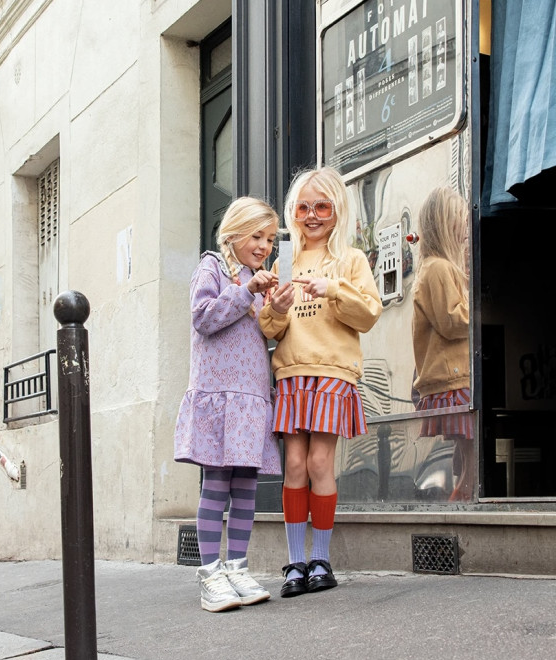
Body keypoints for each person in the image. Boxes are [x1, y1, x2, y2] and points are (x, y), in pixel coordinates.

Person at [259, 166, 382, 598]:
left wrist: (332, 288)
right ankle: (295, 562)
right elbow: (271, 329)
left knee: (318, 464)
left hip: (332, 372)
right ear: (294, 212)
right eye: (304, 207)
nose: (313, 215)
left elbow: (368, 313)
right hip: (292, 374)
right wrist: (275, 306)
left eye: (322, 206)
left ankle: (322, 559)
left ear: (337, 209)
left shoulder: (351, 259)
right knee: (293, 465)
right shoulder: (285, 260)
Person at [174, 196, 283, 613]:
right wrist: (244, 290)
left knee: (247, 487)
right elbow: (203, 317)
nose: (264, 245)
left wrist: (277, 307)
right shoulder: (213, 268)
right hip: (219, 395)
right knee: (217, 484)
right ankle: (210, 574)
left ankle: (237, 566)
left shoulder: (259, 278)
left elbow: (265, 332)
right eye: (256, 235)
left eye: (270, 238)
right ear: (233, 233)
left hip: (251, 396)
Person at [411, 186, 473, 502]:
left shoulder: (434, 267)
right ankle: (462, 504)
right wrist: (481, 305)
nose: (466, 228)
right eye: (461, 220)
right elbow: (453, 321)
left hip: (449, 378)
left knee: (464, 455)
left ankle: (459, 502)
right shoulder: (439, 268)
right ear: (447, 225)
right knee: (472, 462)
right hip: (453, 378)